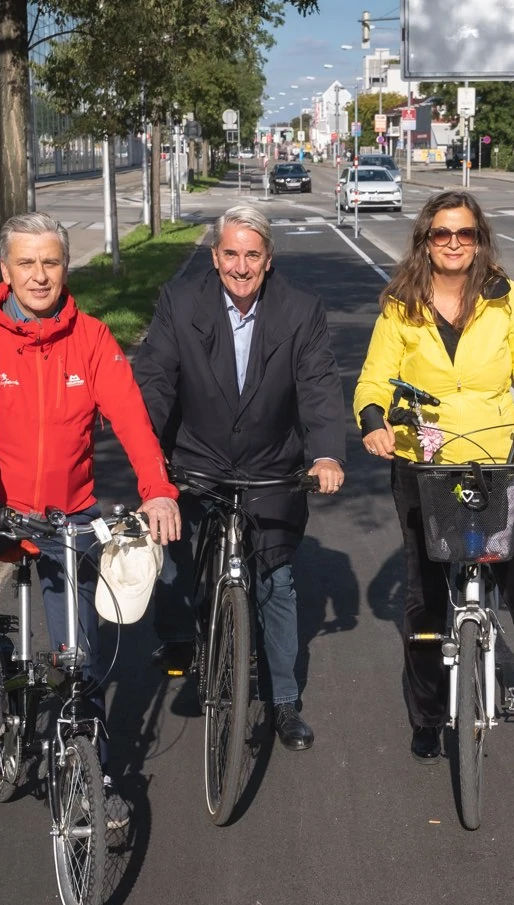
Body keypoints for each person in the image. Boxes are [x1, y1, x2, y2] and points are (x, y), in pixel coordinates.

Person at [353, 189, 514, 763]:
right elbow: (375, 378)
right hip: (422, 456)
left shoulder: (503, 296)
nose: (453, 243)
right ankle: (426, 717)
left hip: (492, 459)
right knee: (423, 595)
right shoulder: (402, 303)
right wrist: (373, 420)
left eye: (464, 234)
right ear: (425, 240)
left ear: (478, 239)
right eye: (441, 233)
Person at [0, 212, 181, 746]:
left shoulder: (90, 337)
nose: (39, 275)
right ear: (5, 269)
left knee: (81, 663)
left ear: (66, 268)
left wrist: (158, 491)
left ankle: (97, 776)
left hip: (69, 515)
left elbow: (132, 419)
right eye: (26, 263)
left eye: (51, 262)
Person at [133, 205, 347, 752]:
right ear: (215, 256)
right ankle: (182, 637)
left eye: (253, 254)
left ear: (269, 260)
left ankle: (282, 701)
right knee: (179, 555)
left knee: (275, 581)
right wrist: (147, 459)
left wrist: (325, 454)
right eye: (231, 253)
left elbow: (319, 386)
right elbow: (156, 381)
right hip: (198, 458)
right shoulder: (180, 303)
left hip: (272, 465)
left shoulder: (300, 310)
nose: (241, 265)